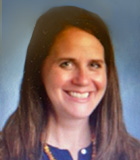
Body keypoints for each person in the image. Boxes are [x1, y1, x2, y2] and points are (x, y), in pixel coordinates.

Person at [0, 5, 140, 160]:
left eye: (94, 65)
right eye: (67, 64)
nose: (83, 80)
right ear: (39, 69)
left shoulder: (134, 154)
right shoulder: (5, 153)